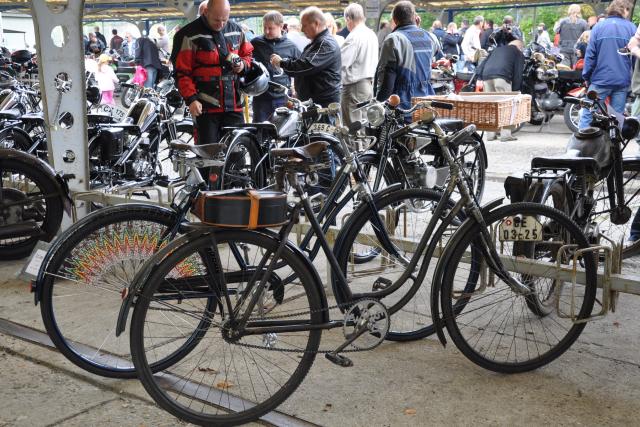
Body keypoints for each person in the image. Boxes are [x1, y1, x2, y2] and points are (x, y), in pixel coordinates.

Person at [174, 0, 253, 145]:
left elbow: (247, 54)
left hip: (234, 105)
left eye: (225, 20)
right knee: (208, 153)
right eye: (216, 20)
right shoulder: (188, 35)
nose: (221, 24)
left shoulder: (237, 30)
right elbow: (182, 72)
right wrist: (191, 99)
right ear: (206, 12)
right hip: (205, 108)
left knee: (237, 153)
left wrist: (243, 65)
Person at [579, 0, 635, 130]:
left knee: (588, 113)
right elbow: (635, 58)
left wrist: (586, 77)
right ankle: (614, 142)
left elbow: (590, 56)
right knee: (617, 118)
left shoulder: (598, 27)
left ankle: (582, 140)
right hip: (621, 81)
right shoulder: (631, 28)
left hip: (600, 80)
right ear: (624, 10)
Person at [271, 7, 341, 107]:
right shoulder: (316, 43)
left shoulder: (326, 44)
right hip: (313, 101)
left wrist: (281, 63)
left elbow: (307, 65)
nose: (302, 30)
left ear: (316, 24)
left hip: (323, 104)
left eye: (304, 25)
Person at [374, 1, 434, 118]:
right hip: (426, 103)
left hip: (402, 105)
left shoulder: (393, 39)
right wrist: (417, 27)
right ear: (415, 17)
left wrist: (379, 103)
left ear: (395, 20)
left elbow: (387, 80)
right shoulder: (429, 37)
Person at [250, 10, 300, 122]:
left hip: (283, 98)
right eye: (264, 28)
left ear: (281, 26)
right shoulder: (255, 43)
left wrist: (296, 89)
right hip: (261, 98)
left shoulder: (291, 46)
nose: (267, 31)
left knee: (283, 130)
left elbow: (299, 70)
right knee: (261, 129)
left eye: (270, 28)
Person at [476, 40, 525, 141]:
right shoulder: (517, 53)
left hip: (486, 77)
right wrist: (515, 90)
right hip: (502, 77)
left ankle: (490, 135)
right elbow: (518, 73)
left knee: (491, 106)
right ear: (520, 47)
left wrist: (480, 77)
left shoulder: (496, 50)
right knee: (506, 106)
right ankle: (505, 135)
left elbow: (482, 65)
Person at [340, 3, 378, 127]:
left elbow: (341, 63)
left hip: (354, 88)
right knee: (364, 127)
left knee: (352, 129)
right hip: (368, 86)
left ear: (348, 19)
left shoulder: (354, 36)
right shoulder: (371, 34)